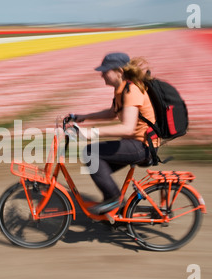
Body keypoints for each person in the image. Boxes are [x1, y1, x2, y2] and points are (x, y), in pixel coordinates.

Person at [68, 52, 159, 223]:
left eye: (105, 70)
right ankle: (117, 211)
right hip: (134, 143)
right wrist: (83, 116)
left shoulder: (131, 90)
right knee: (98, 168)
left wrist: (90, 133)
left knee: (90, 153)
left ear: (118, 71)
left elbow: (127, 128)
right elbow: (111, 113)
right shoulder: (122, 89)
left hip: (142, 146)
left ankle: (114, 201)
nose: (101, 74)